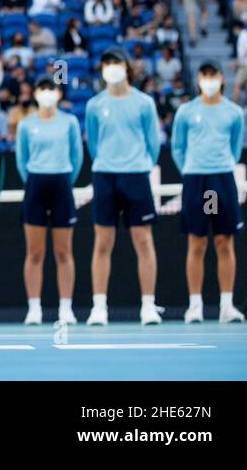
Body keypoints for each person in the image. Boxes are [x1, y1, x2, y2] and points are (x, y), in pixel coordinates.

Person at [84, 48, 164, 326]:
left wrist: (138, 164)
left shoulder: (144, 103)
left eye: (116, 62)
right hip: (105, 175)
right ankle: (99, 307)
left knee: (143, 241)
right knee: (102, 243)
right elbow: (94, 144)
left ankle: (149, 306)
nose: (112, 67)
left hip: (136, 175)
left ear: (126, 66)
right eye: (106, 63)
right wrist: (108, 161)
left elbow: (153, 145)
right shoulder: (94, 105)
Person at [170, 62, 247, 323]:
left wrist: (220, 167)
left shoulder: (234, 112)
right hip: (197, 180)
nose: (209, 79)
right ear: (199, 78)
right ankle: (195, 306)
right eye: (204, 75)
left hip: (222, 179)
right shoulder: (186, 112)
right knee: (198, 242)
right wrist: (191, 170)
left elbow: (235, 149)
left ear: (221, 78)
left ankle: (227, 305)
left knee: (224, 241)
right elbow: (178, 148)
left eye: (213, 74)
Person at [14, 78, 83, 326]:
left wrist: (65, 178)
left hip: (62, 183)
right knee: (35, 252)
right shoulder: (26, 124)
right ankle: (34, 308)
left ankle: (66, 308)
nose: (47, 93)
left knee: (64, 251)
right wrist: (33, 178)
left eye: (51, 89)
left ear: (59, 93)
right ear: (34, 93)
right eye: (42, 89)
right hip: (35, 184)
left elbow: (77, 156)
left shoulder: (70, 122)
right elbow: (21, 159)